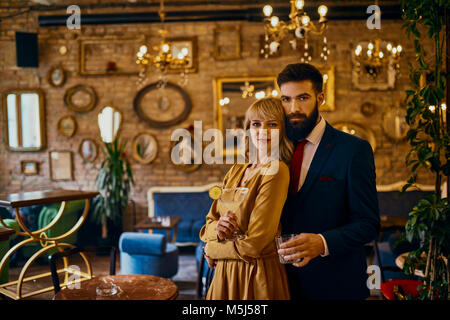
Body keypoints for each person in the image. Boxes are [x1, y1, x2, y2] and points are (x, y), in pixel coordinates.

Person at [276, 63, 380, 300]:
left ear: (320, 97)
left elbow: (368, 224)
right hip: (279, 284)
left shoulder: (354, 150)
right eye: (286, 99)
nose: (293, 108)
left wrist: (322, 242)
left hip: (336, 285)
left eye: (302, 98)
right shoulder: (274, 149)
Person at [199, 97, 293, 300]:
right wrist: (219, 229)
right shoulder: (236, 169)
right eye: (256, 124)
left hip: (255, 273)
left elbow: (255, 243)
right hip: (223, 271)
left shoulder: (277, 171)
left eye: (272, 124)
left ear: (283, 131)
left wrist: (211, 248)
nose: (263, 131)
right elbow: (209, 223)